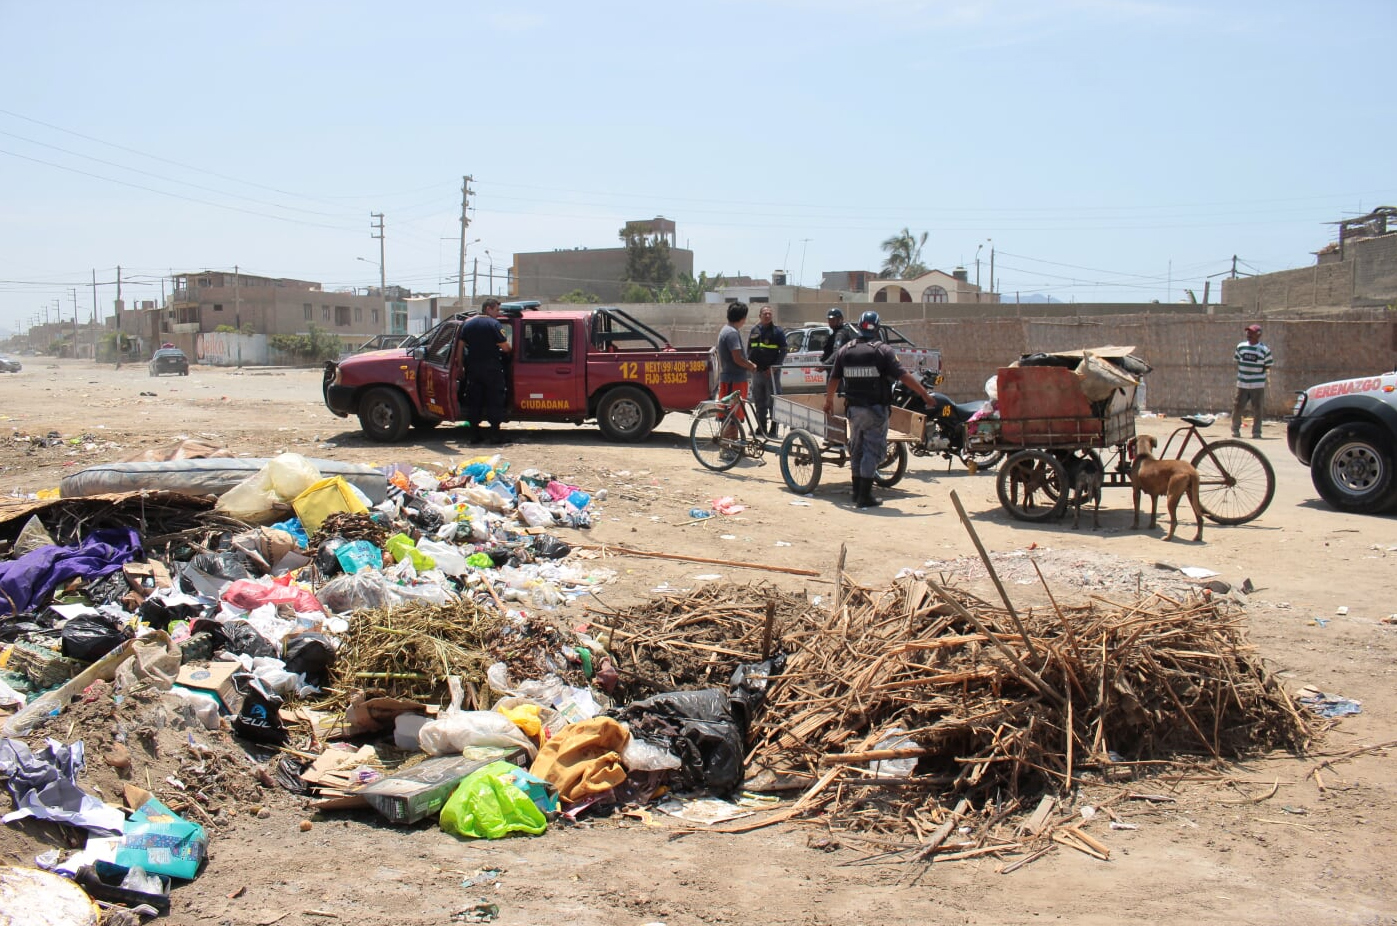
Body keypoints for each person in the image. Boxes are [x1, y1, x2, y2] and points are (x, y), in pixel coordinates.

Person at [824, 310, 936, 509]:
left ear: (859, 326)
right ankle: (865, 496)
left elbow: (834, 378)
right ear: (876, 328)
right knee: (872, 451)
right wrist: (924, 394)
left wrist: (829, 401)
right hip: (875, 410)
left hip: (854, 409)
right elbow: (903, 376)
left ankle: (857, 493)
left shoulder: (846, 350)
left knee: (856, 449)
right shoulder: (883, 351)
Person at [458, 298, 513, 444]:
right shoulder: (493, 324)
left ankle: (474, 434)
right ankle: (495, 434)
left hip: (473, 369)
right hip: (491, 369)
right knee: (494, 399)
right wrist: (511, 350)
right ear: (488, 309)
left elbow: (460, 346)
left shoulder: (468, 324)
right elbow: (505, 347)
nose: (498, 313)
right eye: (496, 310)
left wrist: (460, 365)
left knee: (475, 400)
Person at [746, 305, 788, 438]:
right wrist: (751, 364)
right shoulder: (754, 330)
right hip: (757, 372)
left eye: (769, 313)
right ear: (760, 316)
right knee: (759, 400)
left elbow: (783, 350)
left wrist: (775, 367)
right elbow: (749, 350)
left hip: (771, 373)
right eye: (765, 313)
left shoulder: (778, 332)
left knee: (773, 401)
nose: (767, 315)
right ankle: (761, 427)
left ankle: (774, 429)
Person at [1232, 323, 1273, 439]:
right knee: (1238, 407)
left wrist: (1257, 373)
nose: (1248, 334)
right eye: (1248, 332)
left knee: (1258, 409)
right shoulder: (1241, 347)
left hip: (1257, 385)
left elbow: (1268, 365)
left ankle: (1256, 432)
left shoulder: (1264, 350)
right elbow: (1237, 361)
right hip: (1242, 384)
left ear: (1258, 335)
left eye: (1251, 332)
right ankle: (1235, 429)